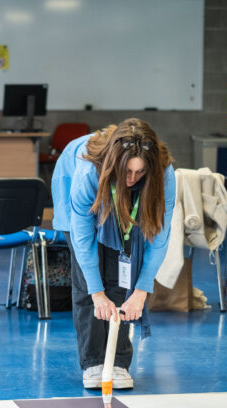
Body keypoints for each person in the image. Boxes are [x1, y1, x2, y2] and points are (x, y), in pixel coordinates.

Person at [51, 118, 176, 390]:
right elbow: (83, 240)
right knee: (88, 286)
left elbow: (160, 236)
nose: (132, 179)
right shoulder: (87, 172)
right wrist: (97, 293)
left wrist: (141, 291)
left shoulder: (164, 173)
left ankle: (118, 361)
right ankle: (94, 361)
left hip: (120, 196)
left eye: (139, 172)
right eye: (127, 172)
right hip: (80, 182)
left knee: (122, 281)